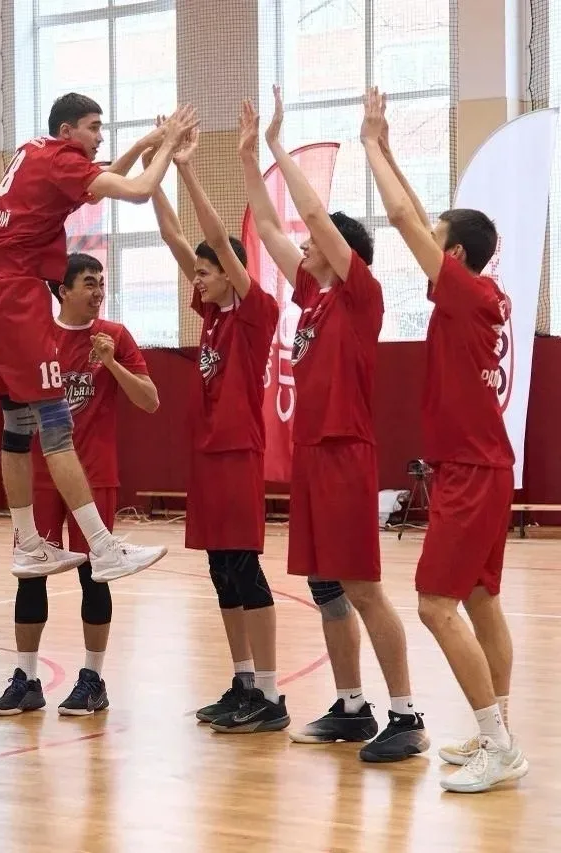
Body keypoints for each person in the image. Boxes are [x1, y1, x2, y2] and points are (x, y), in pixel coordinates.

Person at [241, 87, 427, 762]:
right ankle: (352, 707)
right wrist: (247, 159)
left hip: (346, 452)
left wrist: (277, 144)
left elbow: (312, 214)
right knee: (327, 587)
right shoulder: (314, 299)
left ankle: (406, 714)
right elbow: (268, 230)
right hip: (313, 456)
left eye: (316, 241)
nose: (304, 243)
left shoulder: (358, 296)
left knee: (364, 588)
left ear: (337, 250)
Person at [360, 87, 526, 792]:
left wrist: (367, 145)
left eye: (438, 234)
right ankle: (499, 731)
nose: (424, 235)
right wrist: (389, 147)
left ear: (453, 253)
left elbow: (402, 216)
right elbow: (417, 211)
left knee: (434, 604)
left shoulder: (464, 293)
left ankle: (499, 744)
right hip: (486, 465)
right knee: (481, 600)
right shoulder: (480, 294)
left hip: (469, 469)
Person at [0, 92, 198, 584]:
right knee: (56, 424)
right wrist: (168, 145)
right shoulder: (62, 162)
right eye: (94, 127)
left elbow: (100, 183)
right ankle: (103, 547)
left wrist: (149, 139)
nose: (99, 137)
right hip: (17, 296)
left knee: (16, 424)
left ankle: (28, 544)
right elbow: (137, 190)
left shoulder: (36, 152)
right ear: (67, 131)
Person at [144, 123, 286, 733]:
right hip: (205, 455)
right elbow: (175, 237)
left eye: (208, 271)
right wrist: (154, 172)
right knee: (220, 570)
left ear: (230, 272)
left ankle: (272, 694)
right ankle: (243, 680)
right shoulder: (210, 313)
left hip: (236, 453)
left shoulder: (255, 312)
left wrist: (187, 169)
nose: (197, 278)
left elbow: (209, 237)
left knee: (245, 568)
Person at [0, 253, 159, 716]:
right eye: (89, 282)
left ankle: (92, 679)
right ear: (63, 291)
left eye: (101, 282)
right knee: (30, 573)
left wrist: (111, 363)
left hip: (93, 475)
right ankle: (26, 678)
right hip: (39, 477)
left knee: (95, 575)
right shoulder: (38, 338)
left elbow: (150, 401)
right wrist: (17, 362)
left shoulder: (114, 336)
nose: (99, 291)